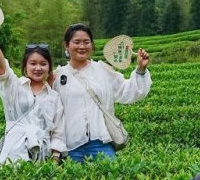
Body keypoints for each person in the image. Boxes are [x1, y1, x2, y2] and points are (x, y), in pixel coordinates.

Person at [53, 23, 151, 162]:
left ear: (92, 45)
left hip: (101, 142)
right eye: (77, 42)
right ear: (66, 46)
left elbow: (127, 91)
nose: (82, 46)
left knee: (110, 174)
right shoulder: (58, 76)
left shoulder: (102, 70)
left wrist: (141, 69)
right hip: (71, 145)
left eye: (86, 42)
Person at [0, 26, 66, 166]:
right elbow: (2, 68)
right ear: (25, 67)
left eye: (43, 64)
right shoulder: (15, 86)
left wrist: (55, 161)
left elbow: (58, 131)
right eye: (33, 63)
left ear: (49, 68)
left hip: (42, 154)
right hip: (14, 151)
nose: (38, 68)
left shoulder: (54, 96)